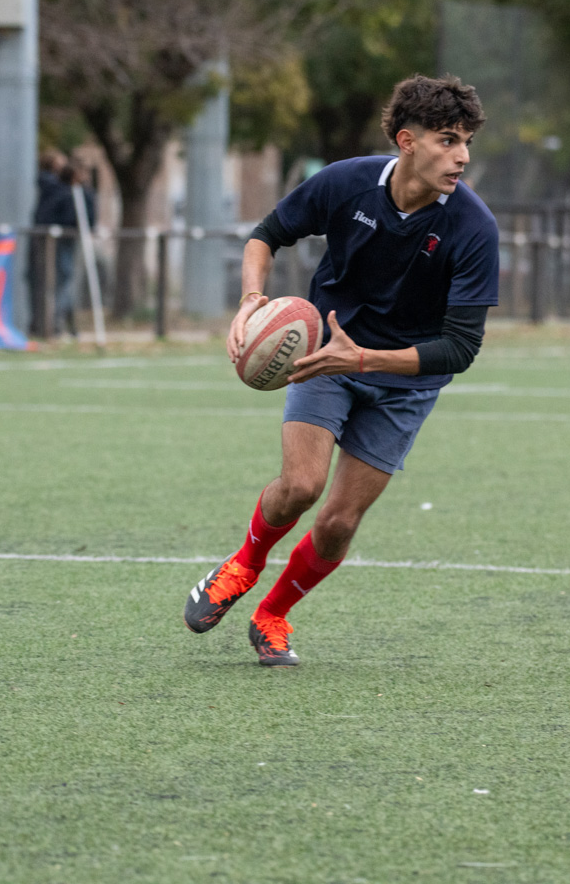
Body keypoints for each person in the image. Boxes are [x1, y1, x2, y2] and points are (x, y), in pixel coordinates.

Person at [184, 75, 498, 667]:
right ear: (407, 141)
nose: (461, 157)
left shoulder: (473, 227)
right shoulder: (347, 182)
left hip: (405, 380)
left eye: (467, 143)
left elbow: (460, 348)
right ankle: (243, 566)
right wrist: (252, 298)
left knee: (337, 522)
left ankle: (273, 615)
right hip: (324, 355)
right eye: (448, 141)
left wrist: (364, 358)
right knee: (300, 487)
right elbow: (266, 235)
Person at [32, 152, 97, 336]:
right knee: (61, 281)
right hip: (59, 242)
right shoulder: (62, 193)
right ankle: (54, 323)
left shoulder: (72, 192)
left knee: (66, 282)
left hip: (69, 241)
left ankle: (64, 323)